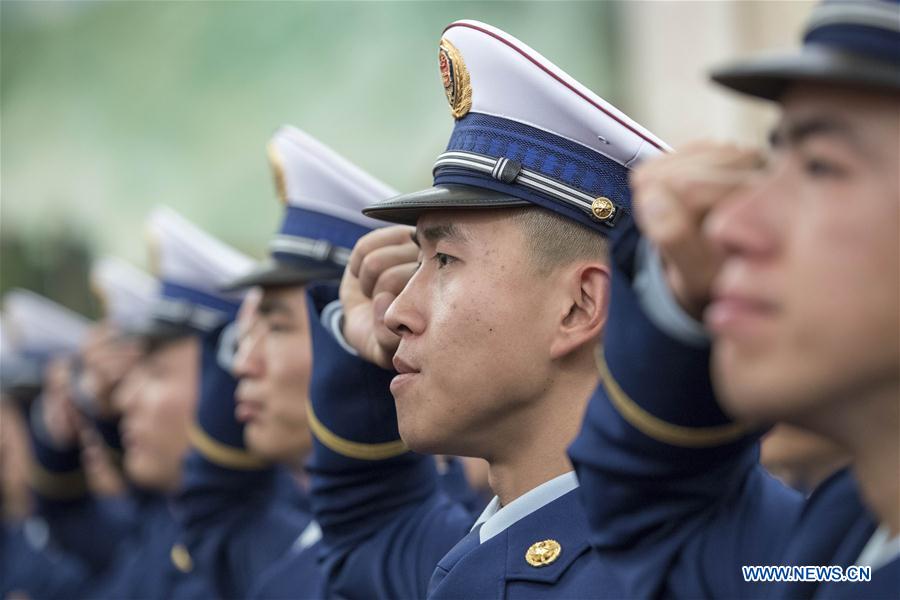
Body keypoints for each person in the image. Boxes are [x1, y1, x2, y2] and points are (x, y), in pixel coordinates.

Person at [303, 19, 668, 598]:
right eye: (415, 260)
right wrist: (357, 350)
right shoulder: (499, 537)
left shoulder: (677, 569)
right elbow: (370, 525)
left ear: (579, 305)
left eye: (444, 260)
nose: (396, 311)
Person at [568, 0, 899, 597]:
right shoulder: (847, 546)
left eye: (821, 166)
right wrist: (683, 312)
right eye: (775, 163)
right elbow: (664, 534)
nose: (729, 225)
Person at [172, 124, 395, 600]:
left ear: (356, 329)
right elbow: (213, 506)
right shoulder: (294, 541)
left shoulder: (416, 551)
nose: (242, 365)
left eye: (274, 327)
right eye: (245, 334)